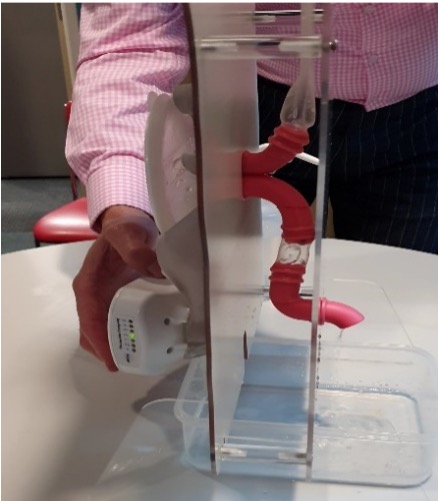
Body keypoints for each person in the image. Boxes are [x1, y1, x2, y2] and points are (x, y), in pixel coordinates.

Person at [66, 3, 438, 371]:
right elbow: (131, 38)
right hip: (257, 101)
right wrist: (130, 202)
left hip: (418, 116)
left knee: (402, 309)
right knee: (227, 306)